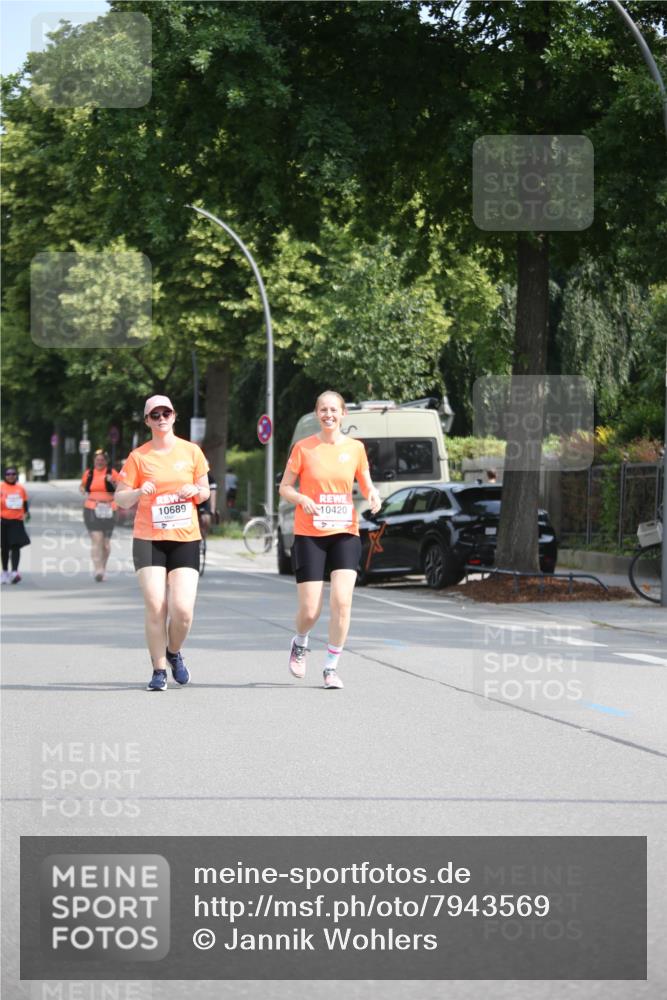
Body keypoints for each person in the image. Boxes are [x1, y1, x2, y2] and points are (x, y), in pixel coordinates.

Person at [279, 390, 381, 689]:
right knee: (311, 610)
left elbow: (366, 485)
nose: (328, 415)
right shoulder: (303, 448)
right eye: (323, 409)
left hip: (345, 531)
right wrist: (300, 498)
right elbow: (284, 487)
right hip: (310, 533)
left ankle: (331, 667)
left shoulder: (356, 449)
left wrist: (373, 496)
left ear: (343, 413)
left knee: (342, 601)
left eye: (333, 410)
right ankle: (300, 642)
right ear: (316, 413)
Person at [115, 395, 210, 691]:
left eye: (165, 412)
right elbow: (120, 497)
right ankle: (158, 670)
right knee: (156, 604)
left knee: (182, 610)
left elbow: (205, 491)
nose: (160, 418)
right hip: (149, 538)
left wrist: (194, 490)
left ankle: (173, 652)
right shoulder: (138, 457)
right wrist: (139, 491)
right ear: (147, 421)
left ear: (174, 415)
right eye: (154, 414)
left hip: (184, 538)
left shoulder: (191, 451)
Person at [80, 449, 119, 582]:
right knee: (97, 539)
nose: (99, 462)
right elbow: (82, 486)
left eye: (102, 460)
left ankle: (103, 567)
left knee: (106, 544)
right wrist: (82, 490)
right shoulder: (89, 473)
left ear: (106, 461)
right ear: (94, 461)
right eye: (97, 460)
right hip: (92, 508)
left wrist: (112, 482)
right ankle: (98, 569)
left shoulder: (112, 473)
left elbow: (121, 488)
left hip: (109, 508)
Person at [1, 466, 30, 584]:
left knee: (15, 546)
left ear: (16, 475)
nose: (11, 476)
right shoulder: (1, 488)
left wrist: (27, 514)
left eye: (13, 474)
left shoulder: (21, 489)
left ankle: (14, 572)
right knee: (4, 548)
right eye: (8, 474)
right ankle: (4, 572)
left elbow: (25, 504)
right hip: (3, 521)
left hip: (17, 521)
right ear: (5, 476)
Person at [197, 470, 218, 539]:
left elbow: (213, 495)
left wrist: (212, 510)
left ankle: (204, 534)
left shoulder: (210, 479)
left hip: (204, 502)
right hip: (195, 501)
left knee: (206, 519)